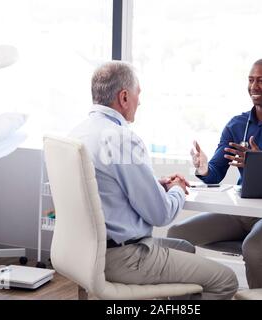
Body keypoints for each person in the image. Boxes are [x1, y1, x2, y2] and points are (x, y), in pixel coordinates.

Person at [69, 61, 238, 299]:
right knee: (225, 279)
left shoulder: (76, 134)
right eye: (139, 94)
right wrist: (177, 189)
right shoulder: (123, 139)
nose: (140, 101)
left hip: (85, 254)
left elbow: (103, 190)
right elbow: (161, 215)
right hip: (126, 259)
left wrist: (154, 185)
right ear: (124, 97)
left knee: (185, 249)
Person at [168, 57, 262, 289]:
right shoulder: (237, 125)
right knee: (176, 234)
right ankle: (189, 297)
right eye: (250, 80)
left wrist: (261, 165)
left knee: (253, 247)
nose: (254, 87)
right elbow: (215, 174)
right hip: (242, 212)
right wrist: (203, 166)